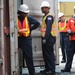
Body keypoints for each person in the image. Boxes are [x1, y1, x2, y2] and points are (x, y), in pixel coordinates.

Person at [17, 4, 40, 75]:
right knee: (15, 55)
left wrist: (30, 29)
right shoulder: (15, 19)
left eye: (26, 13)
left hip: (26, 39)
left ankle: (32, 73)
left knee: (28, 56)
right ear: (20, 12)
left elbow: (37, 23)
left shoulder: (28, 18)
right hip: (18, 39)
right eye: (25, 13)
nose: (26, 14)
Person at [40, 1, 56, 75]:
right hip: (46, 38)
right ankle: (47, 68)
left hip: (49, 38)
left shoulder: (49, 17)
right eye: (42, 8)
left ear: (48, 8)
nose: (43, 9)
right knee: (45, 54)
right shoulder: (45, 16)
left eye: (44, 8)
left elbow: (48, 29)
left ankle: (52, 69)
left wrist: (45, 38)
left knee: (49, 54)